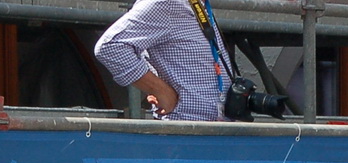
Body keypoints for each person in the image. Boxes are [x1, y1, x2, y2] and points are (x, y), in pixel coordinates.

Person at [94, 0, 240, 121]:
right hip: (185, 133)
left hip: (212, 133)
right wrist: (161, 90)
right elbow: (110, 47)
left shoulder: (197, 5)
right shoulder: (167, 2)